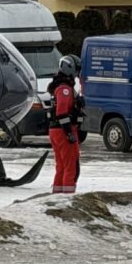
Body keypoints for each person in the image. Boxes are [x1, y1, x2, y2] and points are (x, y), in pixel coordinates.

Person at [47, 54, 83, 194]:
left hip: (55, 130)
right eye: (77, 69)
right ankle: (68, 197)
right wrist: (69, 132)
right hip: (63, 131)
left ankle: (57, 196)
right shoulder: (64, 89)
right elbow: (61, 112)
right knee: (71, 166)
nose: (77, 73)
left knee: (61, 166)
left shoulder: (59, 86)